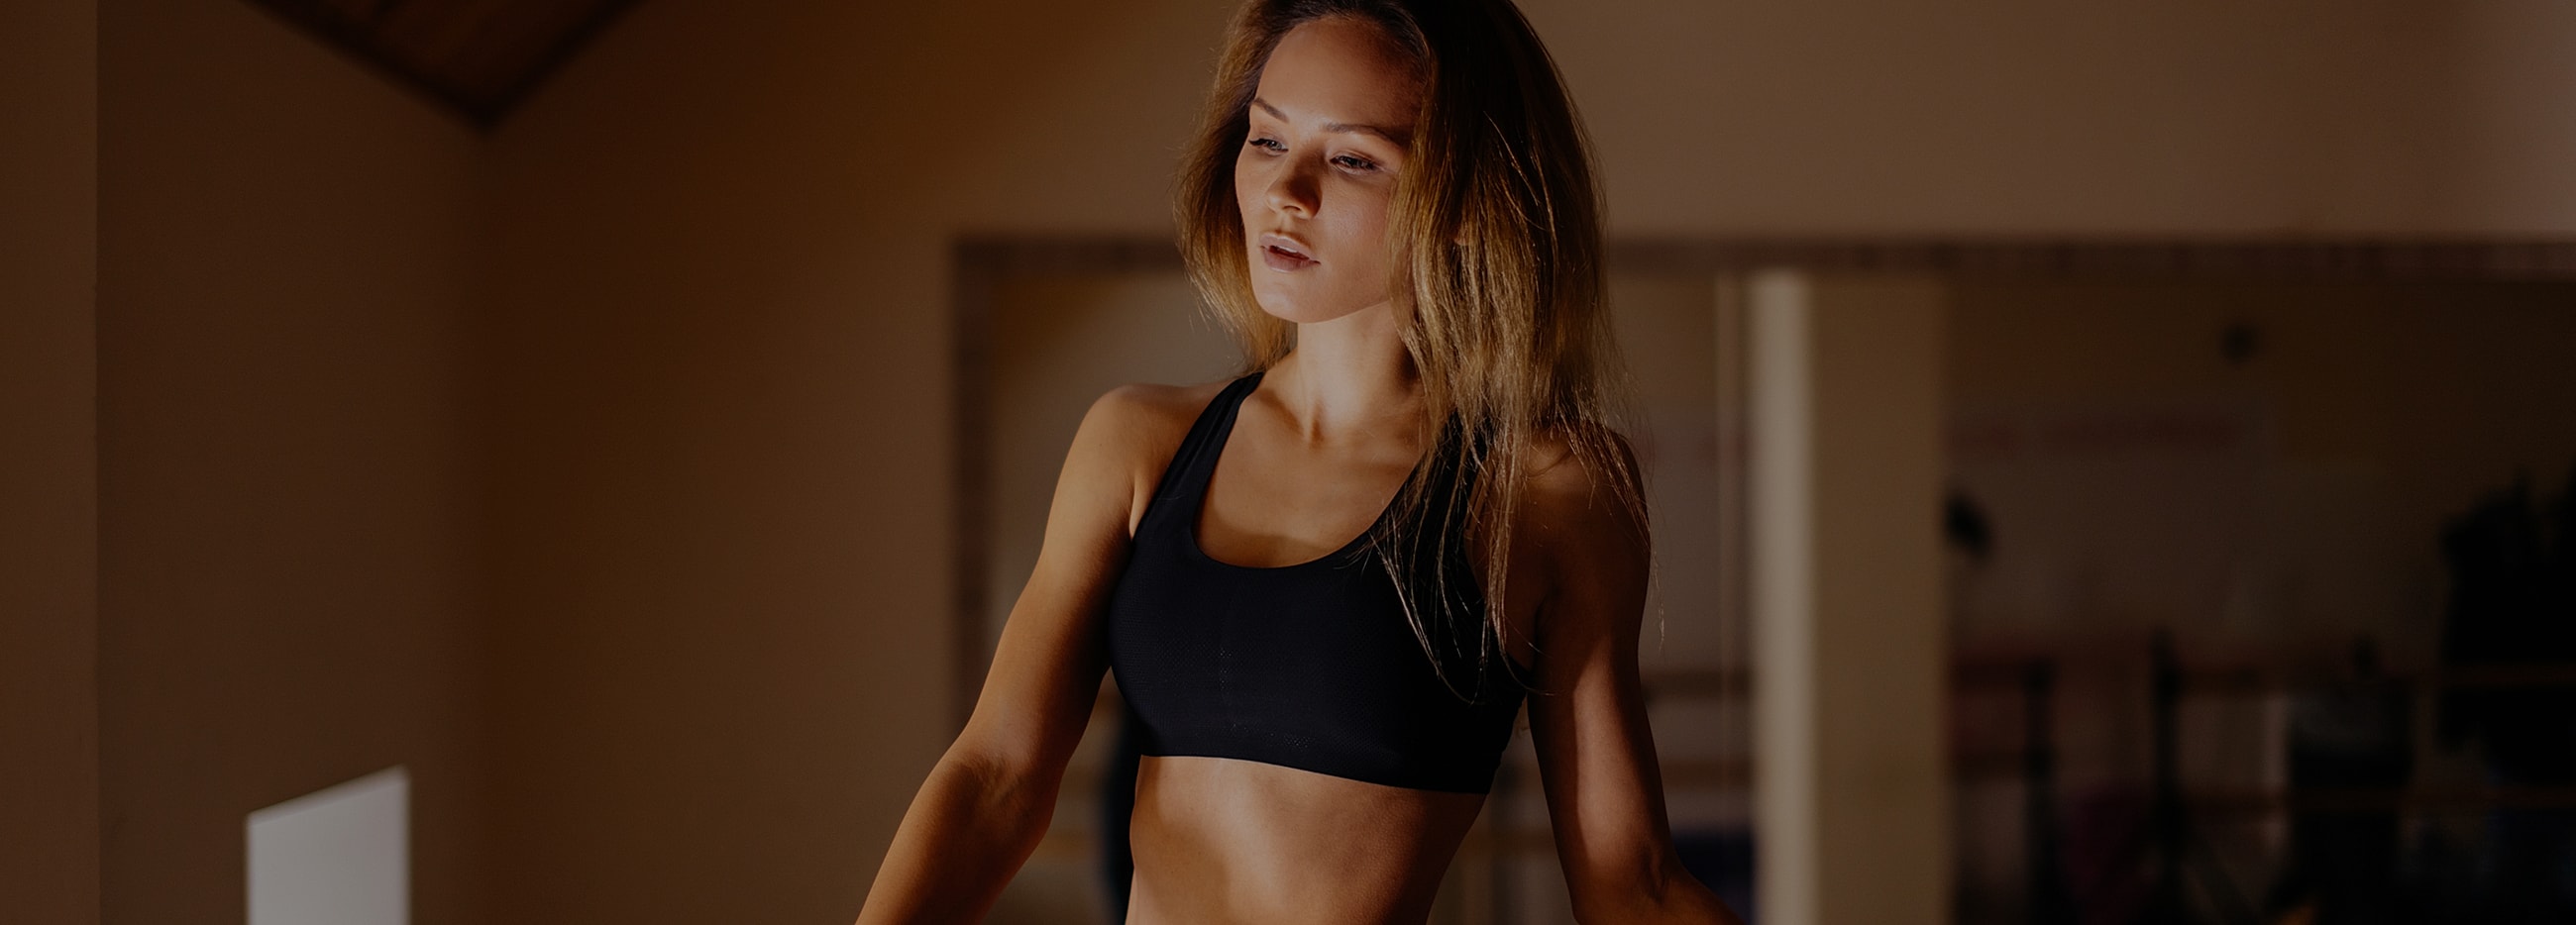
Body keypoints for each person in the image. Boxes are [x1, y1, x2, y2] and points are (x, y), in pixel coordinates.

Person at [856, 1, 1741, 922]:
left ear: (1472, 203)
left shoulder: (1548, 489)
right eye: (1267, 140)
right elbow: (996, 782)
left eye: (1353, 158)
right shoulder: (1137, 444)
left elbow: (1629, 884)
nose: (1287, 192)